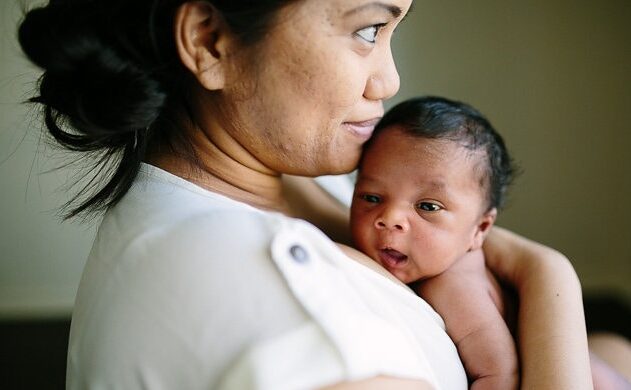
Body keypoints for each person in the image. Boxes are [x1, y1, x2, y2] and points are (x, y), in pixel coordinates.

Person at [17, 0, 594, 389]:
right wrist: (546, 272)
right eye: (367, 29)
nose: (388, 81)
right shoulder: (265, 290)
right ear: (209, 41)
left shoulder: (286, 185)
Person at [349, 96, 631, 390]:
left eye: (428, 207)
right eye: (371, 197)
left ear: (480, 229)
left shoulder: (451, 285)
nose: (389, 217)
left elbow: (499, 373)